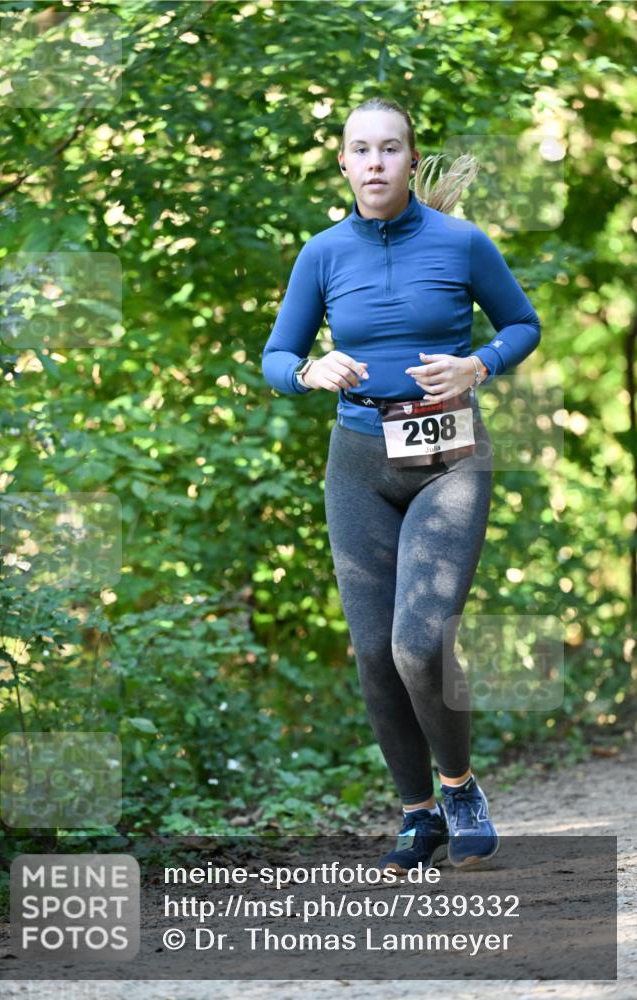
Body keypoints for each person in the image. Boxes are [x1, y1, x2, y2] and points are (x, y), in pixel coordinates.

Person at [261, 97, 541, 875]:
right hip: (357, 462)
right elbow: (275, 356)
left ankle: (459, 787)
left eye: (390, 148)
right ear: (344, 162)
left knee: (418, 642)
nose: (376, 162)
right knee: (373, 654)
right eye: (362, 149)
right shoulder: (321, 254)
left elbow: (522, 324)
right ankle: (416, 814)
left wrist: (477, 363)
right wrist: (309, 370)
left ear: (409, 161)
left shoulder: (460, 242)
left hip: (449, 458)